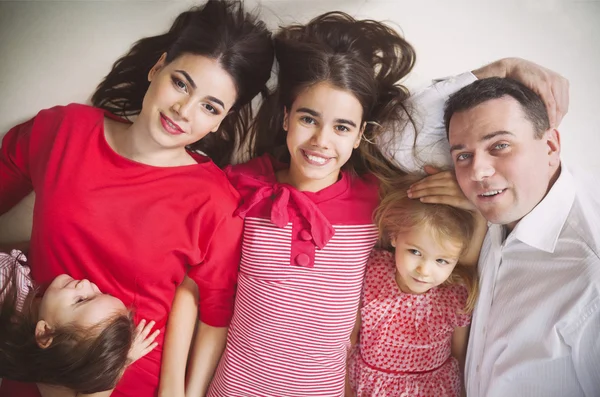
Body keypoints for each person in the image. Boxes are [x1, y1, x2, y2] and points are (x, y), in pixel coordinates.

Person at [0, 1, 274, 396]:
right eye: (181, 83)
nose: (183, 110)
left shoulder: (216, 203)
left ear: (220, 121)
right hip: (36, 367)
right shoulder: (64, 131)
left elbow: (215, 317)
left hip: (139, 383)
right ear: (157, 66)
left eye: (210, 107)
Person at [199, 11, 417, 396]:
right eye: (308, 119)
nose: (321, 140)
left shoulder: (378, 201)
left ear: (359, 135)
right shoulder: (242, 187)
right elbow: (208, 294)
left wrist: (492, 72)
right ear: (286, 117)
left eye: (341, 127)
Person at [439, 77, 598, 397]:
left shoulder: (590, 274)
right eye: (463, 156)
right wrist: (504, 68)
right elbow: (394, 135)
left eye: (500, 145)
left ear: (551, 146)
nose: (477, 172)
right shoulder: (501, 211)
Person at [347, 174, 482, 397]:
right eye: (415, 252)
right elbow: (350, 338)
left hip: (432, 389)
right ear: (394, 237)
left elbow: (460, 357)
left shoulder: (454, 295)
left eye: (441, 260)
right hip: (370, 385)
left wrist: (475, 209)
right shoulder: (374, 271)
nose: (424, 271)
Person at [0, 250, 158, 397]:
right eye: (102, 293)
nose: (86, 283)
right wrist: (122, 362)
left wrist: (119, 365)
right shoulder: (41, 354)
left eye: (81, 300)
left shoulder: (5, 283)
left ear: (46, 332)